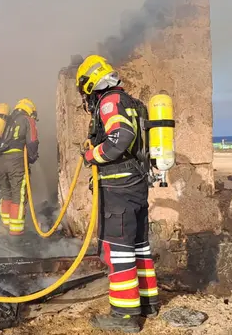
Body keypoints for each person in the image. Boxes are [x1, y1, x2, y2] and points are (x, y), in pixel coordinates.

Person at [75, 55, 159, 333]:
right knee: (138, 245)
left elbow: (120, 137)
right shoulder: (134, 103)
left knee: (119, 250)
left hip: (118, 188)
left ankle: (124, 317)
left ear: (90, 83)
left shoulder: (110, 102)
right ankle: (148, 303)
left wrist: (92, 155)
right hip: (136, 184)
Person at [0, 98, 39, 237]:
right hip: (16, 162)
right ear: (30, 110)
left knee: (6, 193)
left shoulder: (6, 120)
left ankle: (5, 227)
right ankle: (16, 232)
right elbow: (32, 142)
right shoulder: (27, 119)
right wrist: (32, 157)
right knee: (19, 195)